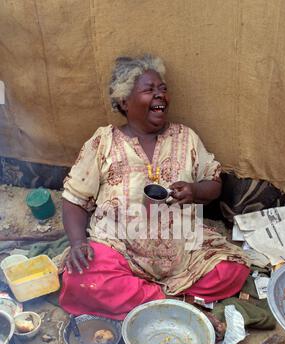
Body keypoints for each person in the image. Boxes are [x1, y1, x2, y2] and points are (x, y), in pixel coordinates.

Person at [59, 54, 250, 326]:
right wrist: (78, 243)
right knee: (80, 279)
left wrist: (195, 191)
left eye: (162, 89)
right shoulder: (103, 142)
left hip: (181, 248)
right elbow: (74, 200)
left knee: (233, 269)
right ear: (125, 101)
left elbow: (214, 182)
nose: (160, 96)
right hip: (119, 248)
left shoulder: (185, 137)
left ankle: (147, 299)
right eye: (149, 90)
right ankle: (173, 301)